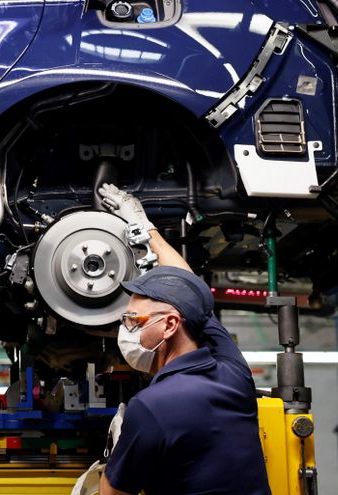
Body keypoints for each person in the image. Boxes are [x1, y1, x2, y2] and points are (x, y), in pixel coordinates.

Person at [96, 184, 271, 495]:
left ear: (169, 325)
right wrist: (143, 225)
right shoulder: (233, 374)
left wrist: (119, 448)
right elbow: (188, 289)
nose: (125, 328)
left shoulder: (150, 406)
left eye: (133, 320)